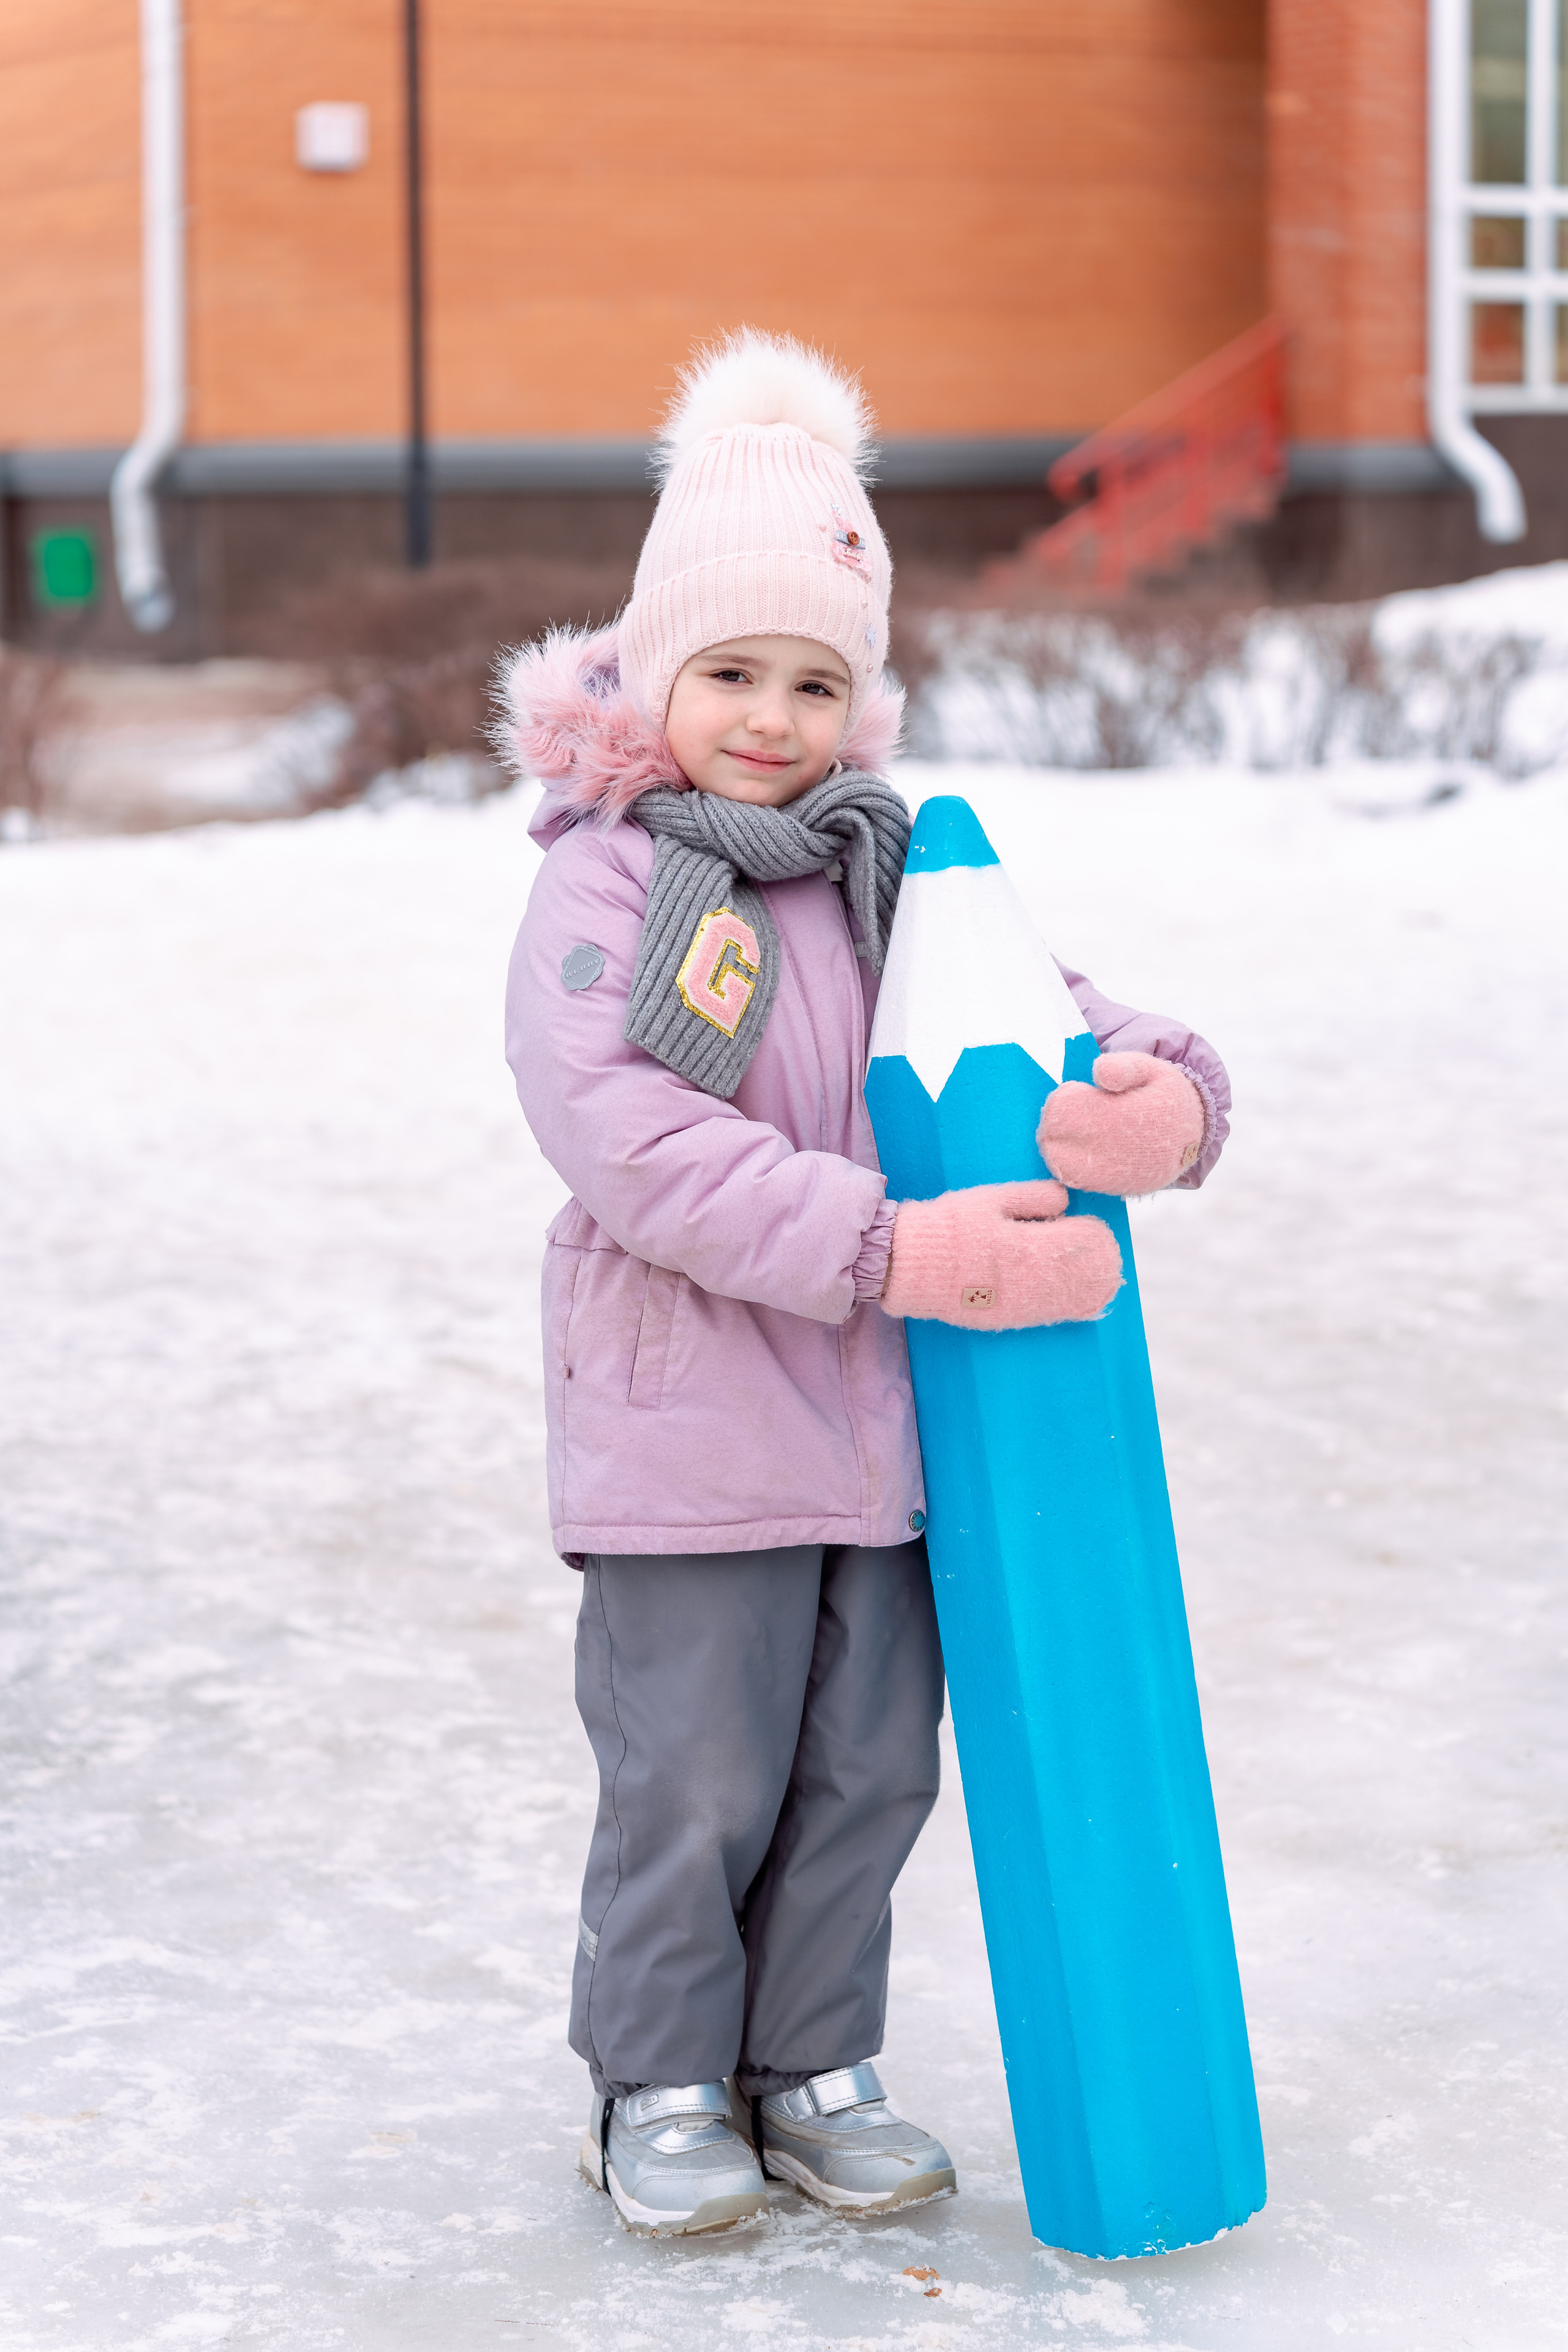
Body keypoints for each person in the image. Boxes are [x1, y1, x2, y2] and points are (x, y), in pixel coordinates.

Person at [499, 330, 1231, 2238]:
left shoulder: (887, 870)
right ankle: (659, 2079)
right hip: (696, 1425)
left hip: (895, 1435)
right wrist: (896, 1249)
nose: (769, 714)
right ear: (661, 668)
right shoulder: (609, 884)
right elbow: (631, 1140)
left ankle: (810, 2062)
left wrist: (1165, 1094)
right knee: (698, 1777)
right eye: (732, 671)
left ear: (861, 698)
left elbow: (1052, 1014)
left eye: (813, 679)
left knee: (865, 1773)